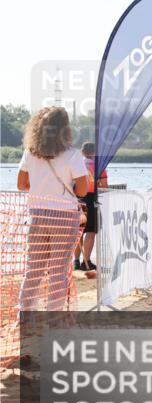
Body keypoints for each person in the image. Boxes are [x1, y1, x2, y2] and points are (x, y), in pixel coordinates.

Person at [15, 106, 89, 312]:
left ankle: (25, 317)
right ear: (65, 129)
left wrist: (42, 187)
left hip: (37, 215)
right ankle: (54, 320)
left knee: (33, 271)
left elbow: (21, 184)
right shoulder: (73, 155)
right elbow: (82, 189)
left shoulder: (30, 153)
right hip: (64, 216)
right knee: (58, 271)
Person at [75, 141, 107, 272]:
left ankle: (76, 261)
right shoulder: (99, 165)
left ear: (82, 152)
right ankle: (86, 261)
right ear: (95, 153)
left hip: (77, 198)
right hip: (92, 198)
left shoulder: (76, 164)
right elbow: (104, 186)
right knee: (90, 232)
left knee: (78, 232)